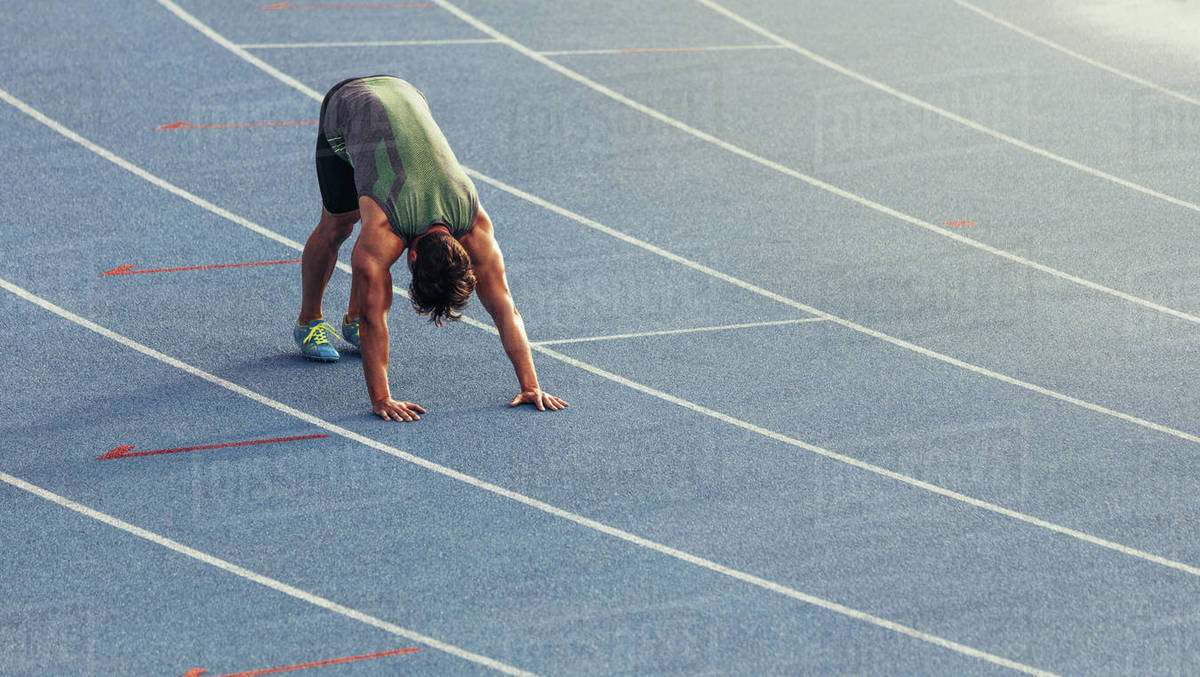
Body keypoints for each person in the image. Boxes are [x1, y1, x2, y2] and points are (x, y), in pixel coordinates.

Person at [294, 75, 567, 421]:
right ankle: (308, 322)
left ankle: (350, 323)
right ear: (411, 256)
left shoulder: (475, 229)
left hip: (407, 91)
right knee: (340, 224)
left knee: (369, 260)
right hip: (350, 104)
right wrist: (381, 399)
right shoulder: (383, 232)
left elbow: (505, 309)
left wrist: (531, 385)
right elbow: (376, 319)